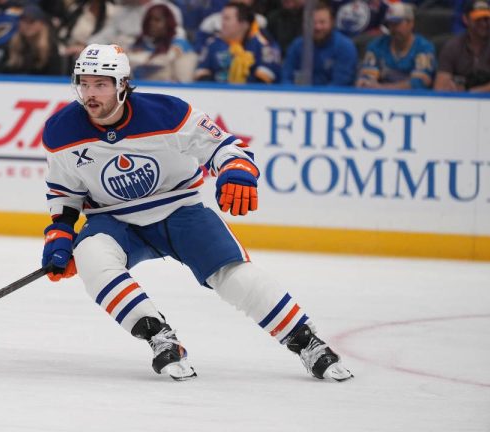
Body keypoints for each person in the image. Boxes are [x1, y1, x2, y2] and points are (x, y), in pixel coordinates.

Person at [40, 43, 354, 382]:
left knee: (234, 275)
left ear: (122, 85)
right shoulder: (61, 131)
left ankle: (307, 342)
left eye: (100, 84)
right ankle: (160, 338)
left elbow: (224, 146)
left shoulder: (168, 113)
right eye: (84, 84)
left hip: (180, 210)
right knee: (90, 256)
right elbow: (64, 193)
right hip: (114, 220)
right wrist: (61, 233)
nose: (90, 94)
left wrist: (236, 170)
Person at [195, 2, 281, 84]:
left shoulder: (263, 44)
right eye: (222, 18)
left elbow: (264, 81)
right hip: (218, 93)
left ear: (244, 24)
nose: (222, 23)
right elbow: (201, 75)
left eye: (227, 18)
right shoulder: (213, 43)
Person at [356, 2, 436, 89]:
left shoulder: (423, 47)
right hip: (380, 96)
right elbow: (366, 79)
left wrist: (383, 88)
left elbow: (420, 83)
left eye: (397, 23)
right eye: (390, 24)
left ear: (410, 23)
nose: (393, 28)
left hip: (411, 97)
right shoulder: (377, 45)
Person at [282, 0, 357, 86]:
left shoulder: (344, 47)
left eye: (322, 22)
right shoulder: (297, 46)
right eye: (312, 22)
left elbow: (340, 84)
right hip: (300, 93)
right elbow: (286, 77)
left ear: (332, 23)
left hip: (332, 94)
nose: (317, 27)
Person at [127, 3, 197, 82]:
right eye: (149, 20)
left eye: (157, 20)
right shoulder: (139, 43)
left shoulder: (180, 44)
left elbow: (184, 80)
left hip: (169, 88)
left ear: (168, 23)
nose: (151, 23)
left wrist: (142, 60)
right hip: (138, 87)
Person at [434, 0, 490, 92]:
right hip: (460, 99)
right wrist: (449, 87)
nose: (484, 24)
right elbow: (439, 86)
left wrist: (472, 92)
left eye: (486, 19)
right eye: (478, 19)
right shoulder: (453, 47)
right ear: (465, 19)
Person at [0, 4, 63, 75]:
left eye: (32, 21)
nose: (27, 25)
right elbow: (2, 73)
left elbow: (55, 76)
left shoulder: (51, 47)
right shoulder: (11, 45)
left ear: (41, 24)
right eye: (24, 21)